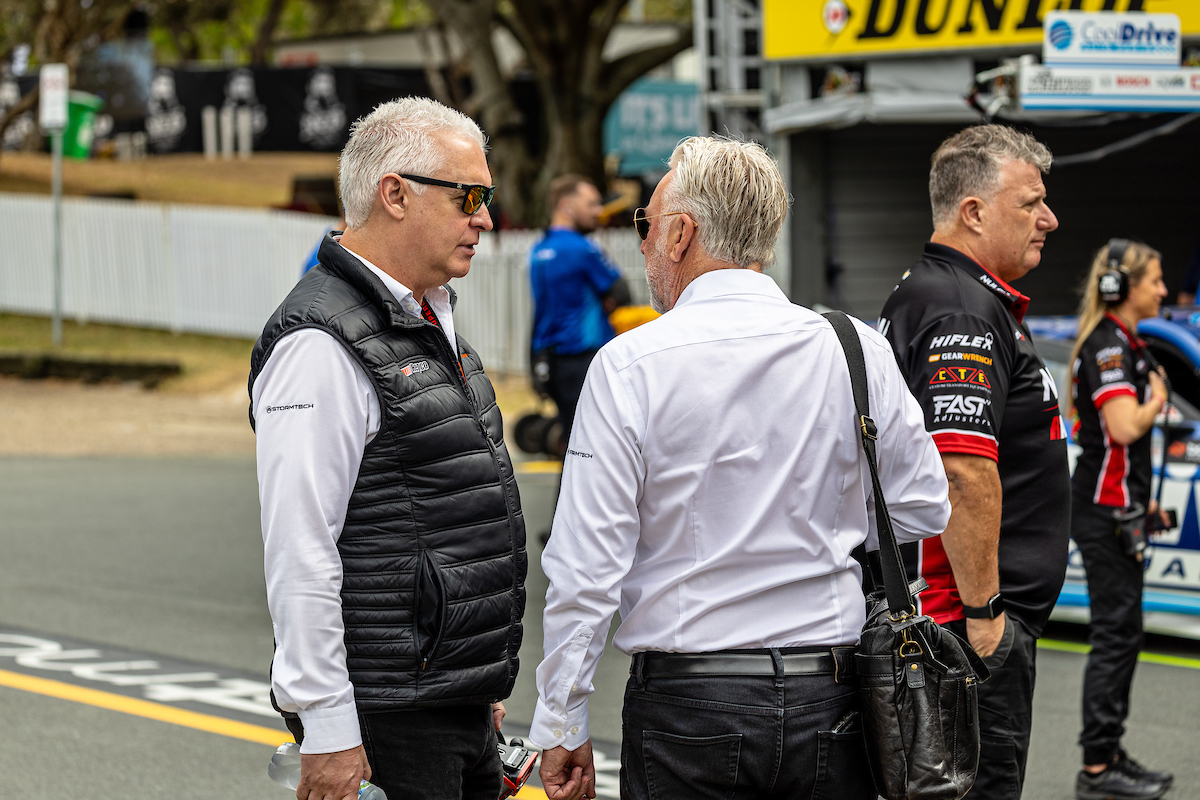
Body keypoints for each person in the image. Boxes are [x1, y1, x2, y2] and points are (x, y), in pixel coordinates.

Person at [531, 136, 952, 800]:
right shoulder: (852, 347)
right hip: (832, 698)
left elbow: (586, 569)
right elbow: (924, 505)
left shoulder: (631, 364)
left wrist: (560, 720)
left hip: (688, 704)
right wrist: (819, 524)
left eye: (645, 226)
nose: (641, 245)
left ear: (680, 234)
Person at [249, 97, 527, 800]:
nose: (486, 219)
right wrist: (327, 726)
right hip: (386, 723)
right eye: (470, 195)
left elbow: (450, 517)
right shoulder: (319, 344)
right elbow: (300, 549)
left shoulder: (428, 318)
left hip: (452, 705)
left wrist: (478, 680)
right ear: (394, 194)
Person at [877, 123, 1071, 800]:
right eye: (1031, 203)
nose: (1048, 219)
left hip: (951, 622)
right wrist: (986, 612)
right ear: (974, 212)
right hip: (965, 628)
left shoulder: (945, 294)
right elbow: (961, 468)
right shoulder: (960, 307)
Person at [1068, 240, 1174, 800]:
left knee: (1124, 635)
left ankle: (1108, 753)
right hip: (1102, 514)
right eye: (1154, 280)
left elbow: (1124, 451)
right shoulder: (1109, 345)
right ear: (1122, 287)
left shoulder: (1128, 342)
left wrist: (1144, 501)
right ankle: (1097, 769)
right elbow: (1124, 426)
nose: (1162, 290)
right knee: (1116, 636)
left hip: (1119, 508)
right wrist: (1156, 399)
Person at [529, 175, 625, 453]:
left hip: (551, 361)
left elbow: (540, 313)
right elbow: (620, 292)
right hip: (585, 360)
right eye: (591, 204)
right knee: (591, 449)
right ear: (566, 206)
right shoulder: (582, 249)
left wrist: (535, 362)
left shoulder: (538, 250)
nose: (599, 211)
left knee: (573, 447)